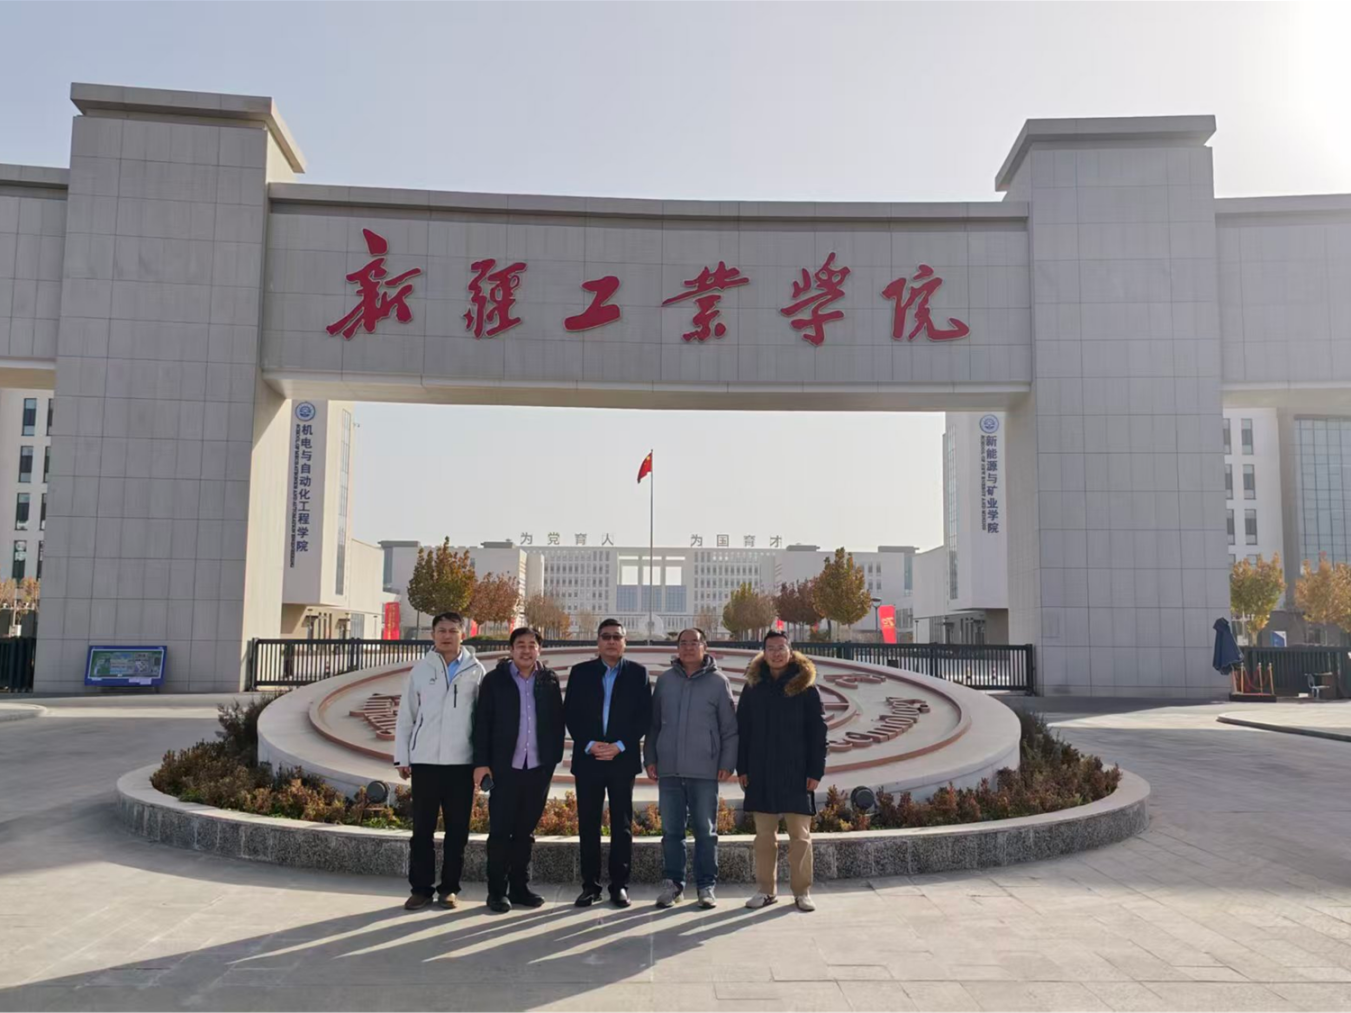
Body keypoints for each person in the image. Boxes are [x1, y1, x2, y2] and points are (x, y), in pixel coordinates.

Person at [392, 611, 487, 912]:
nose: (447, 636)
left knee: (457, 832)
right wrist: (403, 756)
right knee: (422, 830)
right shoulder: (420, 670)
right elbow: (407, 716)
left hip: (461, 765)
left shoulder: (476, 671)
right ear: (432, 635)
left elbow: (482, 721)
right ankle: (420, 889)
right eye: (441, 630)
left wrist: (480, 762)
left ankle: (449, 889)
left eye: (452, 630)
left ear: (463, 634)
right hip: (425, 763)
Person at [473, 627, 565, 913]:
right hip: (504, 768)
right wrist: (481, 763)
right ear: (511, 650)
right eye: (520, 645)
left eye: (532, 645)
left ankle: (520, 888)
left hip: (537, 768)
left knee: (525, 832)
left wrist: (551, 760)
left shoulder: (548, 680)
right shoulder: (495, 680)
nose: (526, 650)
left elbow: (557, 721)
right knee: (501, 832)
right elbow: (482, 722)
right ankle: (496, 892)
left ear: (540, 649)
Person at [644, 628, 737, 910]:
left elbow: (729, 729)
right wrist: (650, 757)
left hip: (705, 770)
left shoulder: (719, 682)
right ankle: (673, 884)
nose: (688, 647)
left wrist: (727, 762)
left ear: (704, 647)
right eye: (683, 643)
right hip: (669, 770)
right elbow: (654, 724)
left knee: (705, 832)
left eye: (693, 643)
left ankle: (706, 886)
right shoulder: (665, 681)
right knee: (672, 831)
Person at [736, 631, 828, 913]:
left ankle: (802, 892)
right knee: (764, 836)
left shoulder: (806, 687)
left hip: (796, 771)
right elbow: (743, 730)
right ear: (763, 653)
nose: (776, 653)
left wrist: (815, 771)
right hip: (761, 771)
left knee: (800, 836)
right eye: (770, 648)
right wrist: (743, 767)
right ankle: (766, 890)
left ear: (790, 651)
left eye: (781, 648)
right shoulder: (753, 687)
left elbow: (818, 732)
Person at [564, 619, 651, 908]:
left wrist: (620, 745)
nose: (611, 641)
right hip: (588, 758)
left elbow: (644, 716)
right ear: (598, 641)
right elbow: (571, 713)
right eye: (606, 636)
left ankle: (619, 885)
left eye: (617, 637)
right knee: (588, 823)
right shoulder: (581, 673)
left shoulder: (637, 674)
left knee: (621, 824)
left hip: (621, 760)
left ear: (625, 642)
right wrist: (589, 744)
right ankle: (590, 886)